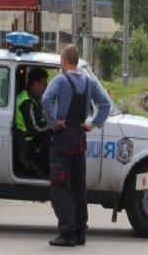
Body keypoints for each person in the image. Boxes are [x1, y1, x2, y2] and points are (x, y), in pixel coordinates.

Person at [42, 44, 111, 247]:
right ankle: (80, 231)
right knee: (79, 186)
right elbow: (105, 104)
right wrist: (94, 123)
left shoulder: (60, 80)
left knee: (60, 186)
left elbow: (46, 99)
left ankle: (67, 233)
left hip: (63, 139)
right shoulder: (90, 82)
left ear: (64, 61)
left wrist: (54, 121)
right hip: (80, 139)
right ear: (77, 61)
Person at [13, 67, 50, 177]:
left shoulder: (34, 98)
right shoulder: (26, 101)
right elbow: (35, 129)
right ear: (35, 84)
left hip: (33, 141)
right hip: (28, 144)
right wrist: (51, 128)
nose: (46, 87)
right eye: (44, 83)